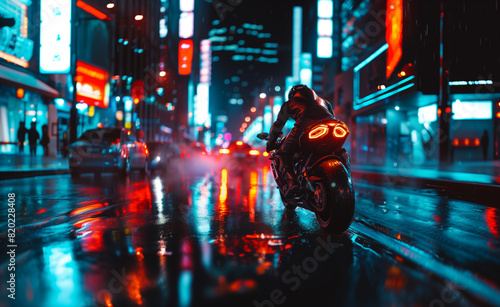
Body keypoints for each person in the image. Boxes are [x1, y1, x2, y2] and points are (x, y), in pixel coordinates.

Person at [266, 84, 350, 199]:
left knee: (282, 153)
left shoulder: (290, 103)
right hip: (334, 125)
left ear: (292, 95)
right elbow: (331, 116)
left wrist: (270, 144)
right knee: (339, 150)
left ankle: (292, 184)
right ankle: (347, 174)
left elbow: (277, 126)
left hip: (305, 126)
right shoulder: (324, 102)